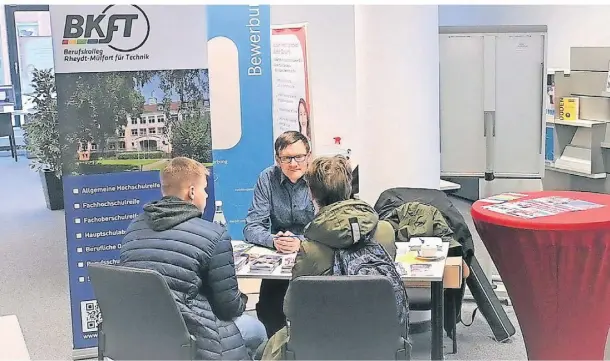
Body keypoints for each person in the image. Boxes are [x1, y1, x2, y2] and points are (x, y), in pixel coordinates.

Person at [120, 157, 267, 360]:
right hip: (195, 338)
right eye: (204, 189)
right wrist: (242, 299)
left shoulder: (133, 228)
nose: (206, 195)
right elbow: (228, 308)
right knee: (257, 330)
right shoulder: (214, 235)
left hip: (141, 333)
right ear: (191, 192)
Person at [261, 155, 398, 360]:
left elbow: (292, 308)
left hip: (321, 342)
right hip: (378, 338)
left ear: (311, 193)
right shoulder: (385, 232)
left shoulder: (309, 249)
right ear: (349, 187)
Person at [243, 131, 315, 337]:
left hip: (312, 255)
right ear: (278, 159)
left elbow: (328, 226)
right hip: (278, 259)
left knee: (313, 309)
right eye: (287, 158)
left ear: (308, 156)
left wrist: (299, 242)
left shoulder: (318, 178)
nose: (293, 163)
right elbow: (252, 227)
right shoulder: (267, 178)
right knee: (269, 309)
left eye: (299, 157)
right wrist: (274, 240)